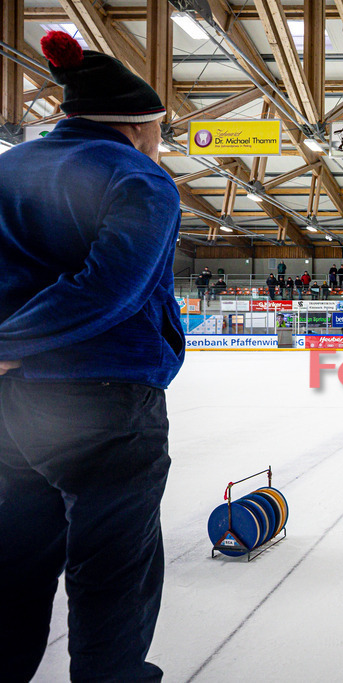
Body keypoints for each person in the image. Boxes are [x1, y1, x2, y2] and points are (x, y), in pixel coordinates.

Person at [0, 31, 183, 682]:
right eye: (160, 129)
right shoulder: (141, 179)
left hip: (14, 409)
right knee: (114, 572)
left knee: (14, 563)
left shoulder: (7, 168)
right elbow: (109, 288)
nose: (160, 141)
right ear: (136, 126)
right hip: (106, 403)